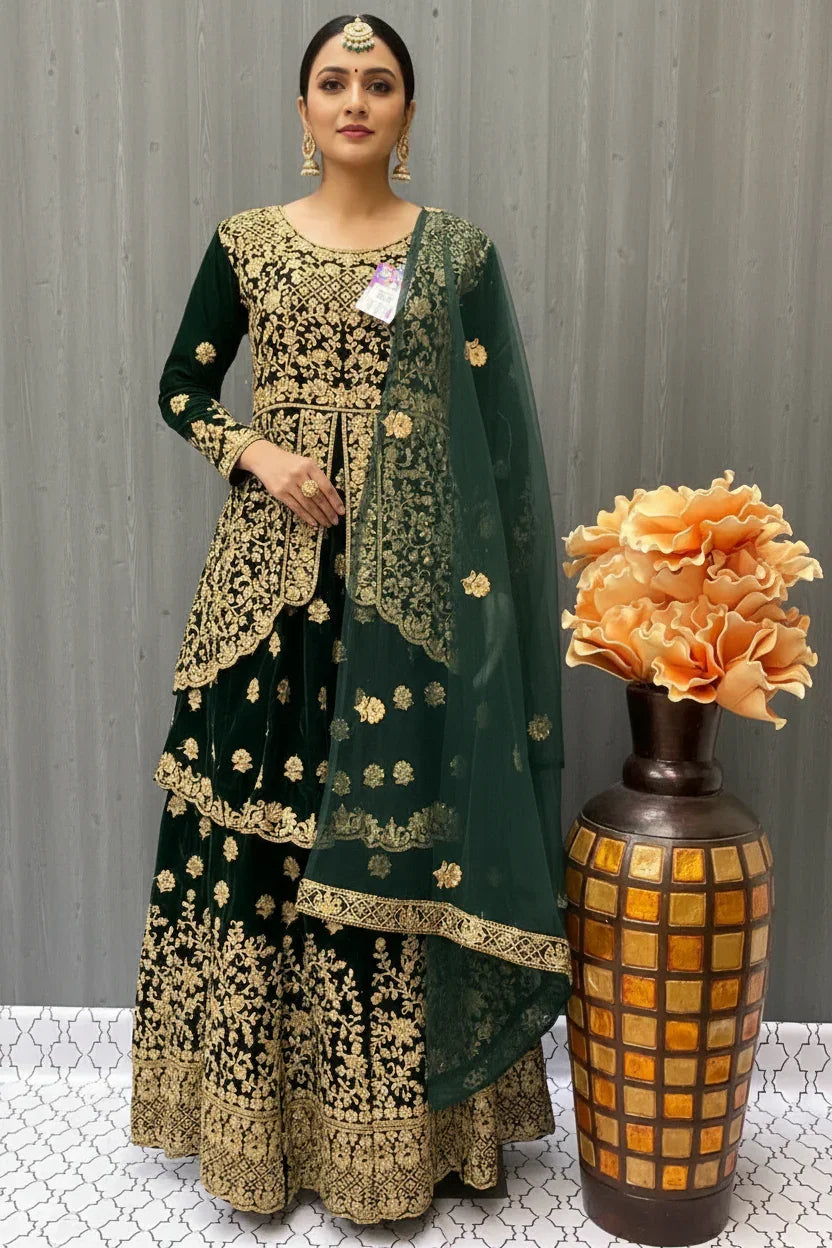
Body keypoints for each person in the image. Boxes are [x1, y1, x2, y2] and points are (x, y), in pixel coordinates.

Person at [130, 11, 571, 1223]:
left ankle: (411, 1135)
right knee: (259, 850)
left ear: (410, 115)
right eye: (333, 80)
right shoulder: (247, 244)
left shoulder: (457, 255)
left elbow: (499, 457)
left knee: (396, 852)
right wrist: (253, 451)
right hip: (264, 604)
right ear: (302, 107)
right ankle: (254, 1132)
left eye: (380, 82)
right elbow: (179, 385)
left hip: (409, 605)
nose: (356, 99)